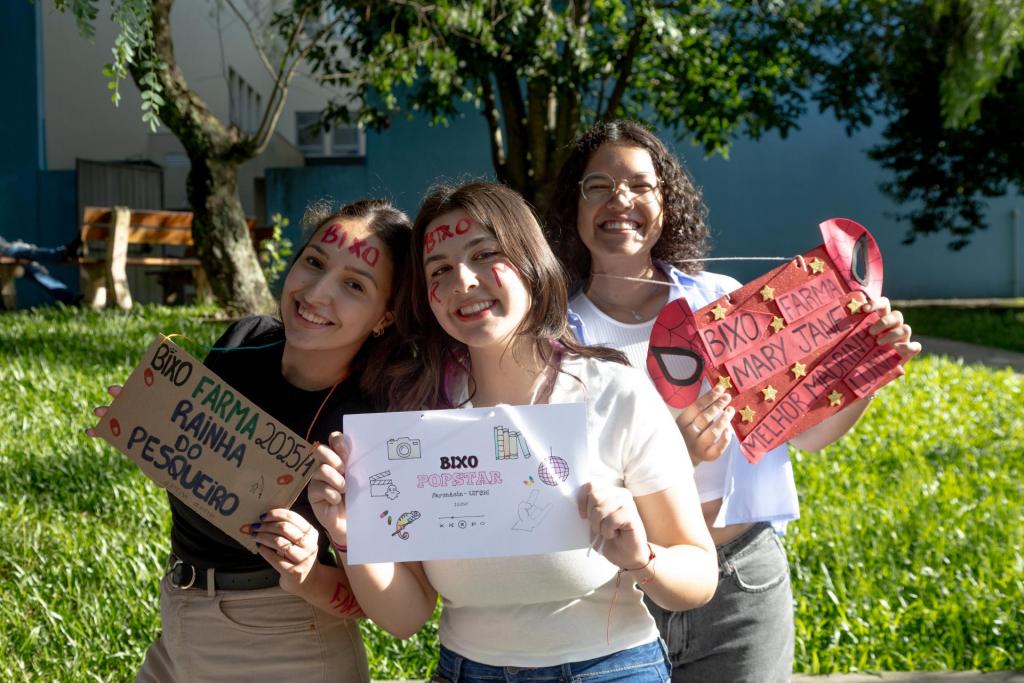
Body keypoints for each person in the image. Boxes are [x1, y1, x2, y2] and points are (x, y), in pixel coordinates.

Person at [544, 119, 922, 682]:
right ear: (573, 210)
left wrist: (864, 367)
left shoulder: (727, 304)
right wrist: (676, 457)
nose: (619, 199)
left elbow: (809, 433)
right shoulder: (552, 337)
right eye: (597, 186)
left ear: (665, 204)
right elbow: (553, 481)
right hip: (617, 588)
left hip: (744, 582)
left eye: (640, 185)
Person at [307, 181, 719, 681]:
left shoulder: (615, 394)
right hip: (466, 671)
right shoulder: (414, 417)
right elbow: (405, 617)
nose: (462, 281)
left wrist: (643, 558)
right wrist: (348, 536)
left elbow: (699, 575)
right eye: (440, 270)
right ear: (428, 298)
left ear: (530, 262)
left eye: (485, 255)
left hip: (613, 669)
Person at [87, 199, 412, 683]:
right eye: (314, 262)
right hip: (180, 618)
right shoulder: (242, 342)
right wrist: (152, 434)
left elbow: (376, 604)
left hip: (285, 641)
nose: (317, 293)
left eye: (353, 285)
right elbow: (208, 486)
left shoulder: (371, 422)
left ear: (385, 316)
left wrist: (307, 570)